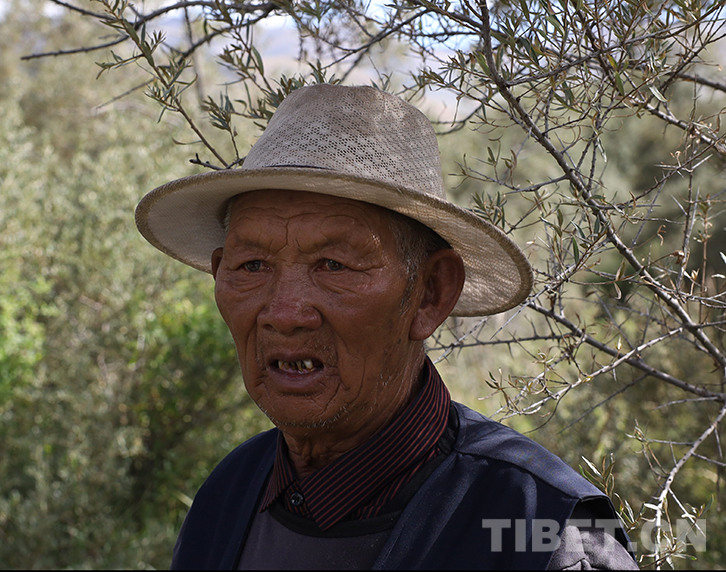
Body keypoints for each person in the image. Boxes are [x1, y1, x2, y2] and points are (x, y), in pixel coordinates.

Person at [135, 84, 637, 569]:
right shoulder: (228, 495)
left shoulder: (544, 531)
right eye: (252, 265)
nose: (284, 313)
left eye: (333, 265)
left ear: (431, 293)